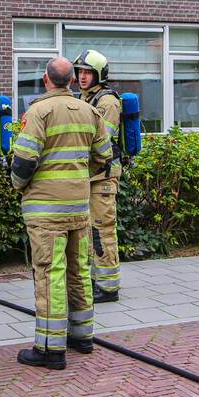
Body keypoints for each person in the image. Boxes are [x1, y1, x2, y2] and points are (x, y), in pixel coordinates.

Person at [11, 57, 112, 370]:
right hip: (79, 207)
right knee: (78, 269)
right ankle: (82, 336)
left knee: (49, 272)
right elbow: (104, 157)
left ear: (46, 79)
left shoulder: (38, 111)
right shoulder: (90, 111)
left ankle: (49, 348)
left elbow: (24, 162)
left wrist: (19, 186)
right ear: (70, 80)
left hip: (45, 211)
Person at [73, 49, 123, 303]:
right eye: (80, 72)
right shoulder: (84, 100)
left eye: (88, 72)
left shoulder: (108, 102)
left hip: (103, 177)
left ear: (99, 75)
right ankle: (96, 279)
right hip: (89, 176)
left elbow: (101, 138)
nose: (82, 77)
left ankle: (109, 286)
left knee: (102, 229)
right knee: (89, 230)